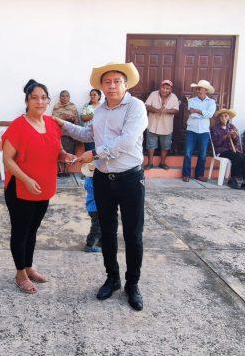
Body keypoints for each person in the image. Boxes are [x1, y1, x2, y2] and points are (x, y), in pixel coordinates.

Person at [56, 62, 148, 311]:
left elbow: (127, 141)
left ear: (126, 84)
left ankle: (133, 284)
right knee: (107, 232)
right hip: (103, 179)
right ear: (101, 87)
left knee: (133, 235)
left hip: (130, 179)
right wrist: (63, 125)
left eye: (117, 81)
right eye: (107, 82)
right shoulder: (99, 111)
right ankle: (112, 279)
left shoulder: (136, 107)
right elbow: (89, 134)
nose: (112, 85)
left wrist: (95, 154)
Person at [1, 79, 74, 295]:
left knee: (33, 230)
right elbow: (8, 160)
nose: (40, 101)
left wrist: (65, 155)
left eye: (43, 97)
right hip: (21, 188)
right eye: (34, 97)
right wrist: (25, 179)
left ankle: (29, 267)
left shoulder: (52, 123)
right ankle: (19, 274)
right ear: (27, 101)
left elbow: (56, 150)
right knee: (20, 231)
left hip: (44, 187)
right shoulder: (18, 125)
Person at [210, 109, 245, 191]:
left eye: (225, 116)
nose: (223, 118)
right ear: (219, 118)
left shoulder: (232, 127)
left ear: (228, 117)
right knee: (237, 157)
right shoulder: (215, 128)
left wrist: (234, 136)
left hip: (233, 150)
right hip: (222, 151)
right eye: (221, 116)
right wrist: (225, 136)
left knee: (244, 157)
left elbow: (237, 142)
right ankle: (233, 179)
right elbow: (216, 144)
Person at [183, 80, 216, 182]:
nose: (197, 90)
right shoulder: (191, 100)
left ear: (205, 90)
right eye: (197, 88)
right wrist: (203, 114)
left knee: (202, 154)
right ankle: (186, 174)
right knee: (188, 153)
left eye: (199, 88)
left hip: (204, 131)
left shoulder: (211, 102)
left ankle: (199, 175)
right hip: (191, 130)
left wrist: (197, 111)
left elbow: (210, 115)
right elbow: (191, 115)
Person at [144, 80, 180, 170]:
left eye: (167, 88)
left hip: (166, 127)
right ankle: (150, 163)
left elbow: (176, 110)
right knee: (150, 145)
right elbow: (146, 106)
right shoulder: (153, 94)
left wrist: (165, 111)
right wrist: (156, 110)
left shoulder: (174, 97)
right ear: (160, 87)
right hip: (153, 125)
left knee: (165, 146)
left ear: (170, 89)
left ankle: (162, 163)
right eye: (163, 87)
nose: (164, 90)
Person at [52, 90, 78, 177]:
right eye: (63, 96)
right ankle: (60, 170)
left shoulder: (73, 106)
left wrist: (73, 118)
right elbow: (53, 119)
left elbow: (77, 120)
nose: (65, 97)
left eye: (67, 96)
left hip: (70, 134)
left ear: (69, 97)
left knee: (69, 151)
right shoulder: (56, 107)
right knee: (59, 151)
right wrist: (62, 117)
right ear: (60, 97)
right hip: (60, 134)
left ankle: (66, 170)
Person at [81, 162, 102, 252]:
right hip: (96, 208)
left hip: (91, 207)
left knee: (100, 225)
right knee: (96, 227)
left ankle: (101, 242)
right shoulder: (96, 182)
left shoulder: (88, 179)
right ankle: (89, 245)